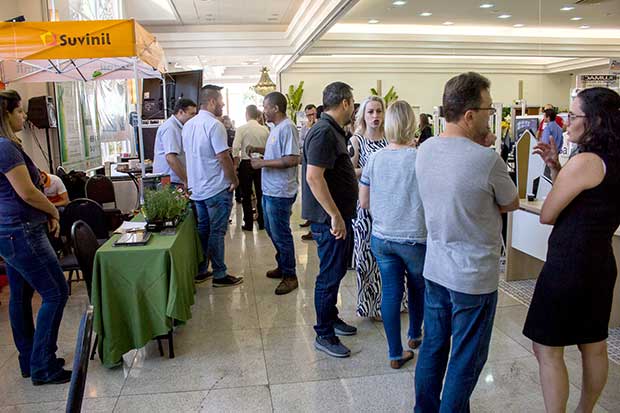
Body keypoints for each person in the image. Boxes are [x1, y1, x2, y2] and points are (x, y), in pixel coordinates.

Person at [414, 72, 519, 412]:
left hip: (436, 267)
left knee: (433, 348)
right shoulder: (487, 160)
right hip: (472, 276)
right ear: (470, 114)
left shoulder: (425, 149)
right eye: (489, 110)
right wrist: (486, 149)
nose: (492, 117)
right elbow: (510, 202)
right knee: (466, 356)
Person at [523, 87, 620, 413]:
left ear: (593, 121)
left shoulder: (585, 161)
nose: (567, 124)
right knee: (593, 344)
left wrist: (562, 172)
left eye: (574, 116)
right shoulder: (611, 161)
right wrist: (555, 167)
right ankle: (585, 410)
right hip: (599, 262)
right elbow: (587, 202)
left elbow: (549, 213)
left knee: (546, 348)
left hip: (569, 265)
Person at [0, 90, 71, 385]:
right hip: (23, 230)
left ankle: (30, 359)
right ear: (6, 115)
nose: (25, 116)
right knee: (56, 292)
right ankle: (43, 363)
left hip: (9, 231)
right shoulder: (5, 148)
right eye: (19, 112)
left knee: (20, 296)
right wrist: (53, 213)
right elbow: (27, 191)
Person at [359, 101, 427, 370]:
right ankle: (414, 336)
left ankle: (394, 352)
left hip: (383, 238)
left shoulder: (375, 159)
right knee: (418, 289)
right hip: (414, 239)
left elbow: (363, 202)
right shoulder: (421, 157)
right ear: (412, 124)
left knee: (390, 293)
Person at [302, 81, 358, 358]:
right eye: (353, 104)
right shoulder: (324, 132)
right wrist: (335, 215)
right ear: (345, 102)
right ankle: (324, 333)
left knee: (335, 273)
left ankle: (332, 317)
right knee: (328, 276)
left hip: (338, 217)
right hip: (329, 221)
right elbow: (314, 177)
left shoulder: (332, 131)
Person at [183, 84, 242, 287]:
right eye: (221, 101)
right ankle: (219, 274)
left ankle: (201, 269)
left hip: (197, 189)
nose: (223, 105)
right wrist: (234, 180)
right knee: (217, 232)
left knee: (204, 230)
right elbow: (223, 157)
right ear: (212, 102)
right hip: (216, 188)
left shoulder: (188, 125)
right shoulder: (215, 125)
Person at [248, 92, 301, 295]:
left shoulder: (288, 127)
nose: (264, 110)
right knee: (271, 231)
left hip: (281, 191)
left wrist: (261, 163)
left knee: (281, 234)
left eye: (266, 106)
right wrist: (260, 149)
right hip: (270, 189)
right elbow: (277, 152)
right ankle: (283, 264)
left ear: (276, 108)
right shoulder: (276, 128)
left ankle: (290, 275)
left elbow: (291, 159)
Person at [349, 95, 388, 320]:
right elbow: (348, 171)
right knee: (366, 256)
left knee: (388, 258)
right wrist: (371, 169)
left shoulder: (390, 138)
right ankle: (369, 305)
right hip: (365, 206)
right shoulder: (357, 141)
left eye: (379, 111)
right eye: (371, 111)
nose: (375, 116)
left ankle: (389, 303)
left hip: (388, 205)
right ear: (363, 115)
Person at [232, 105, 269, 231]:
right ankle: (262, 222)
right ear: (257, 115)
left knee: (246, 195)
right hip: (261, 163)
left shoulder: (242, 129)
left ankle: (248, 223)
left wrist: (235, 164)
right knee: (261, 193)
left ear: (247, 114)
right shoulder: (265, 130)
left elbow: (236, 147)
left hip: (246, 164)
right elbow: (269, 148)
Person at [152, 98, 197, 187]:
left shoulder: (180, 127)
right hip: (171, 181)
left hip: (175, 179)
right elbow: (171, 158)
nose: (194, 117)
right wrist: (186, 180)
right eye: (192, 114)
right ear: (180, 112)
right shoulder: (171, 128)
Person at [299, 104, 317, 238]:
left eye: (313, 114)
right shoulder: (304, 128)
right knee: (307, 191)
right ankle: (309, 218)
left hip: (316, 164)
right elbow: (301, 143)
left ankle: (314, 228)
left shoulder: (321, 126)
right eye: (309, 115)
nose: (311, 117)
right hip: (306, 162)